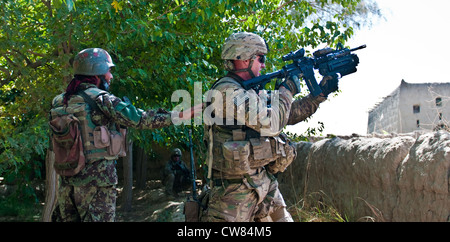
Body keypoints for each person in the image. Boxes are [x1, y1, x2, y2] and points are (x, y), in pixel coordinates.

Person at [200, 32, 339, 222]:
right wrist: (287, 89)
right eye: (261, 58)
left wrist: (319, 95)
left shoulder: (249, 90)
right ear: (243, 58)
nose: (264, 64)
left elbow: (287, 115)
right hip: (232, 193)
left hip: (263, 183)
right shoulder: (225, 91)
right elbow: (272, 123)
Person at [50, 48, 199, 222]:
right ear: (97, 72)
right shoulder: (101, 99)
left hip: (67, 184)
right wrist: (181, 115)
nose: (111, 76)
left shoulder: (59, 101)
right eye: (109, 71)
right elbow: (140, 119)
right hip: (96, 185)